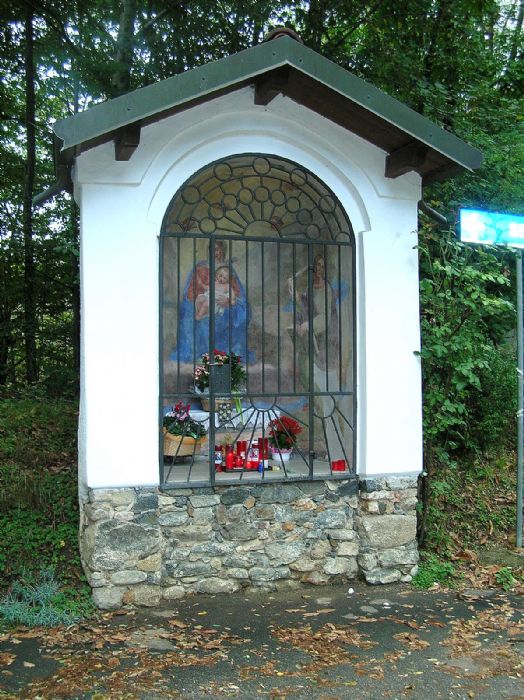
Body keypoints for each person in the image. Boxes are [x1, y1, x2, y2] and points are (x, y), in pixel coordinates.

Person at [170, 241, 250, 364]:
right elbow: (192, 289)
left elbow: (237, 293)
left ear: (223, 251)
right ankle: (200, 354)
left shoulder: (228, 270)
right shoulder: (200, 267)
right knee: (189, 312)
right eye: (212, 249)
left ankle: (227, 355)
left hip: (223, 305)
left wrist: (228, 301)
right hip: (204, 302)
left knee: (240, 314)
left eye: (217, 249)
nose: (214, 252)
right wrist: (200, 299)